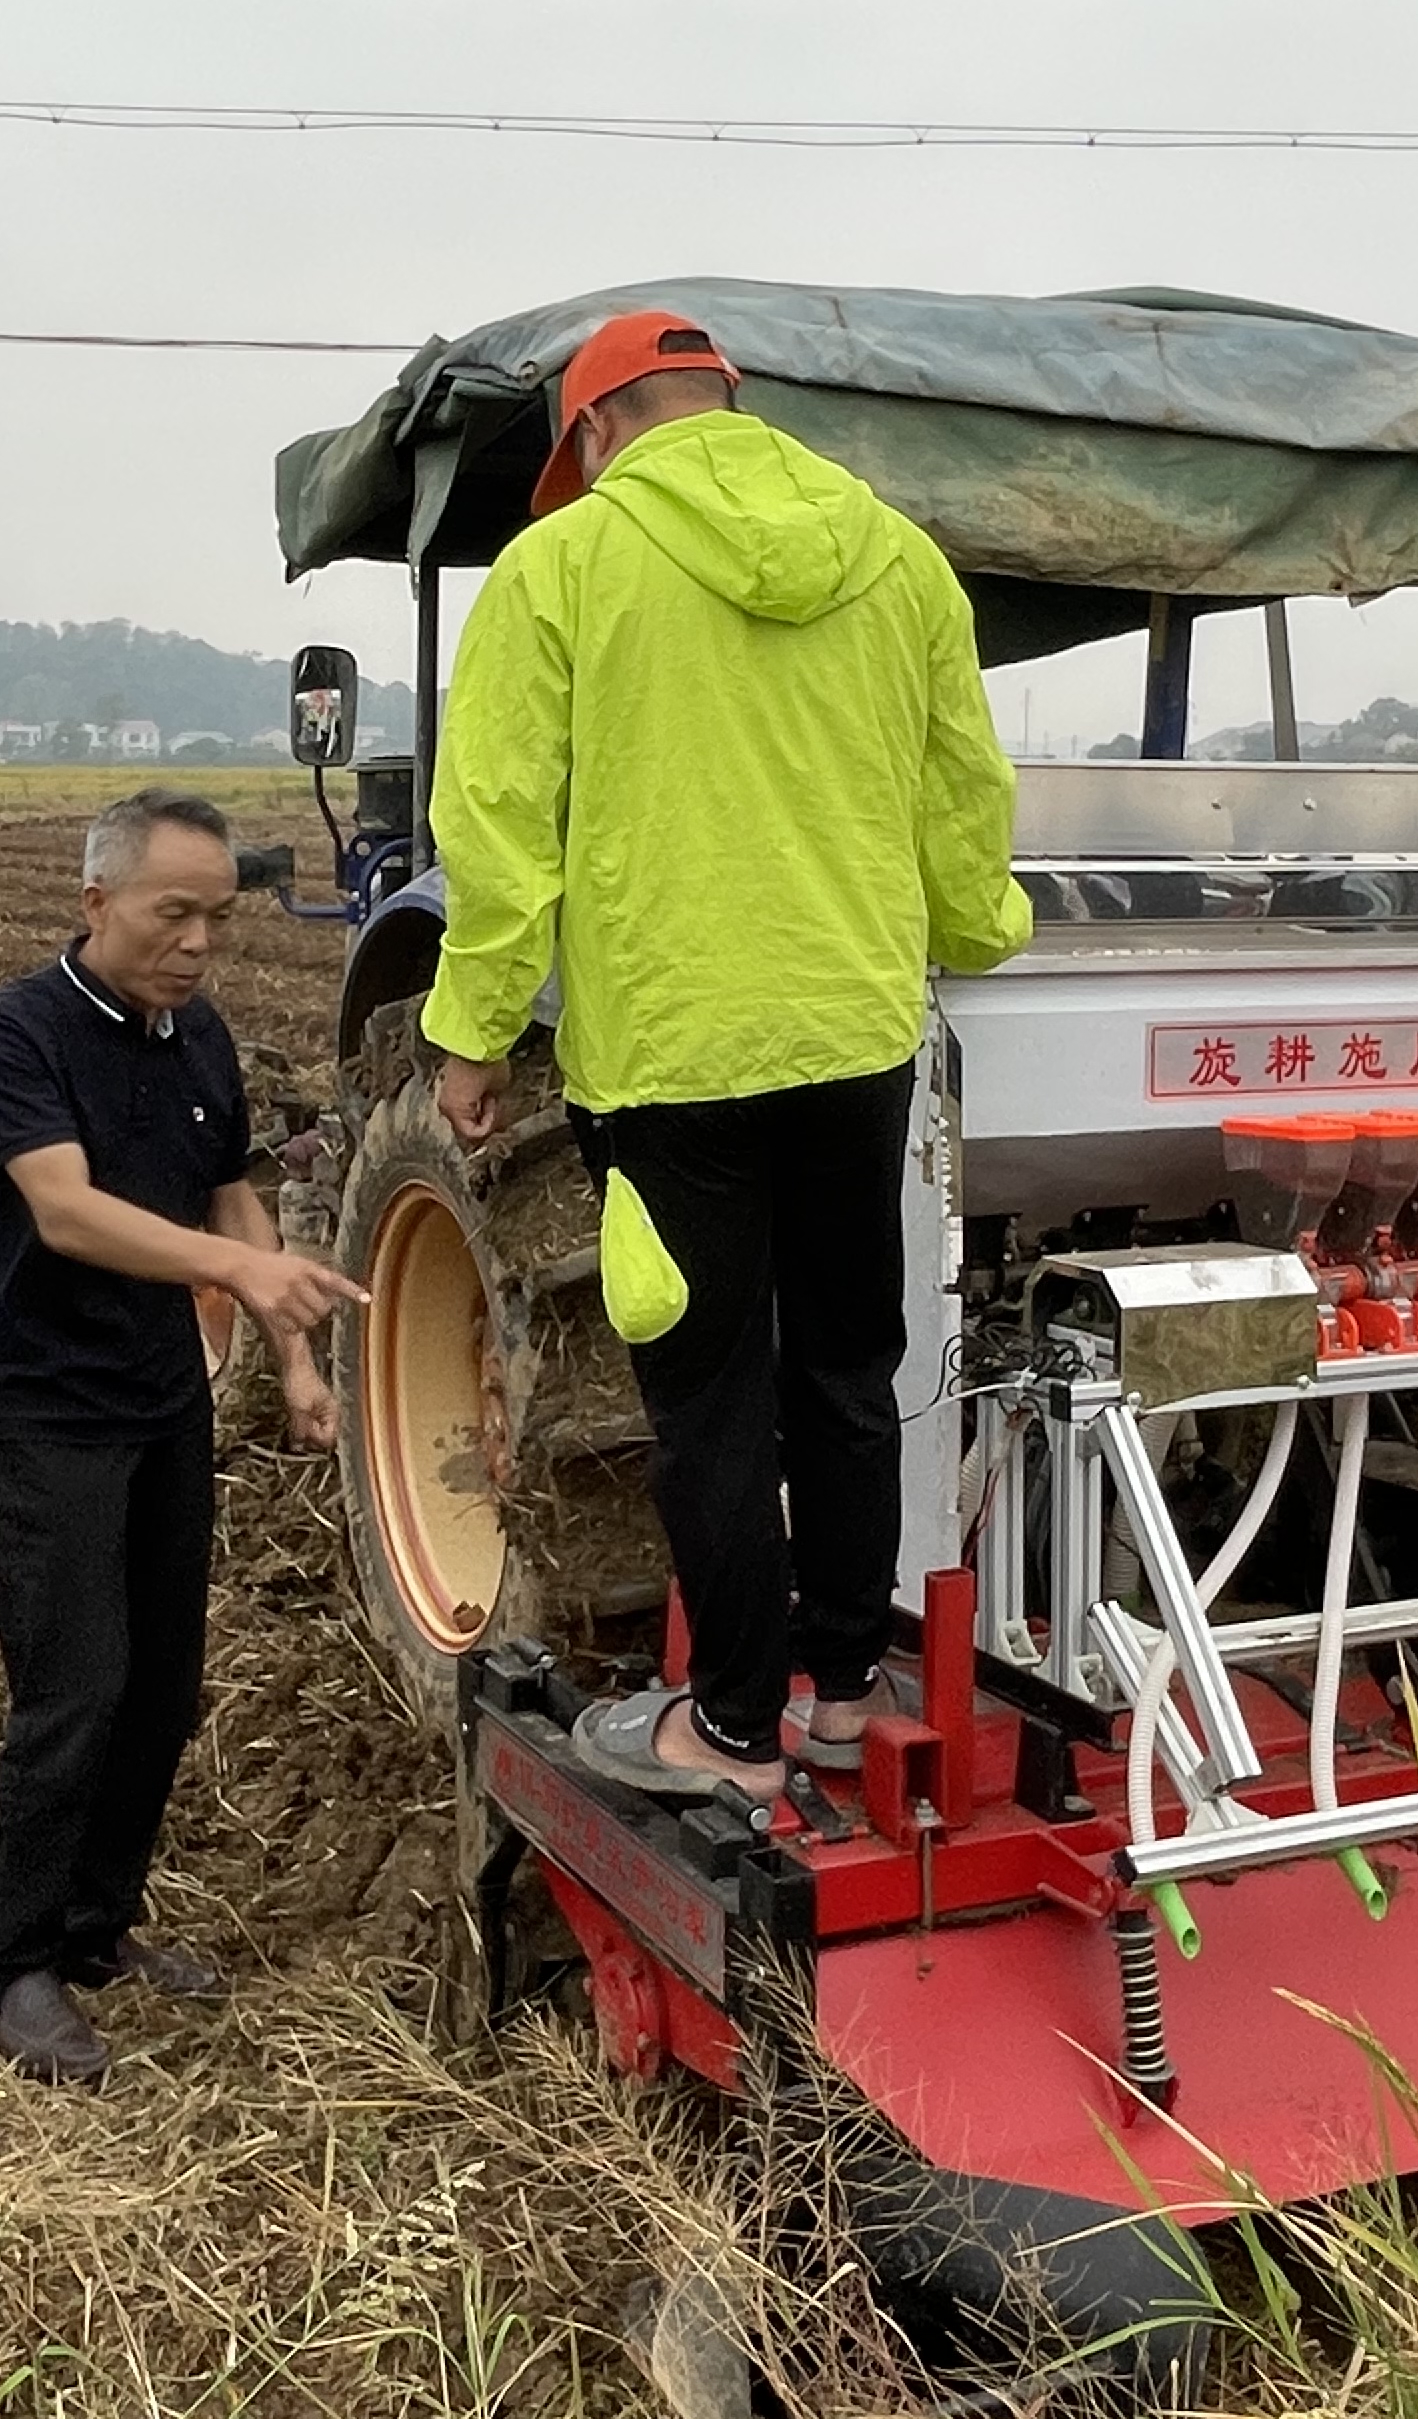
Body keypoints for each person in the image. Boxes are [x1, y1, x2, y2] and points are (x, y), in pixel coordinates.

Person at [422, 311, 1030, 1803]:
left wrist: (473, 1027)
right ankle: (835, 1692)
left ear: (597, 432)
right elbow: (964, 787)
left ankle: (732, 1727)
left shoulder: (560, 568)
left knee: (708, 1392)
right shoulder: (897, 559)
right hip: (853, 1032)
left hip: (675, 1053)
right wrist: (981, 925)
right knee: (843, 1362)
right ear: (728, 406)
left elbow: (498, 830)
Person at [0, 788, 362, 2086]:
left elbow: (237, 1198)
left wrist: (292, 1359)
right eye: (171, 913)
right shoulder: (15, 1033)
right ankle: (8, 1959)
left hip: (163, 1400)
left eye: (218, 918)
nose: (197, 943)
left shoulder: (200, 1036)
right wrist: (240, 1280)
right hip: (44, 1407)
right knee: (74, 1690)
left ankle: (92, 1929)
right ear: (96, 903)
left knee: (162, 1690)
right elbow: (66, 1213)